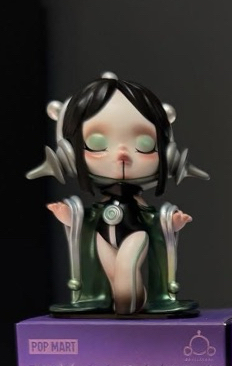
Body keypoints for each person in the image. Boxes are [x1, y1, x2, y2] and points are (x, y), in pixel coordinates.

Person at [27, 74, 207, 316]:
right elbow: (88, 220)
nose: (122, 153)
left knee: (125, 270)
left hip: (136, 233)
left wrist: (169, 223)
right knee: (114, 281)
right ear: (68, 153)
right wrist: (71, 218)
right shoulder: (97, 207)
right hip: (100, 237)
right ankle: (120, 302)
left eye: (145, 143)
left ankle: (131, 304)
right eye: (97, 142)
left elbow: (151, 219)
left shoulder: (139, 206)